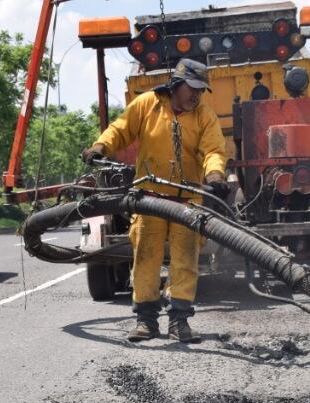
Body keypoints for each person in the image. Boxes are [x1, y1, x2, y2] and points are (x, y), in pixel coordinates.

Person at [82, 58, 228, 343]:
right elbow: (120, 129)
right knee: (146, 257)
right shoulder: (148, 103)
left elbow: (213, 150)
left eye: (201, 89)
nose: (196, 95)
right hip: (148, 197)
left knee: (185, 259)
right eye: (193, 88)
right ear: (176, 84)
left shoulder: (203, 115)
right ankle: (146, 322)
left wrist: (214, 175)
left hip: (187, 201)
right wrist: (100, 147)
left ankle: (179, 322)